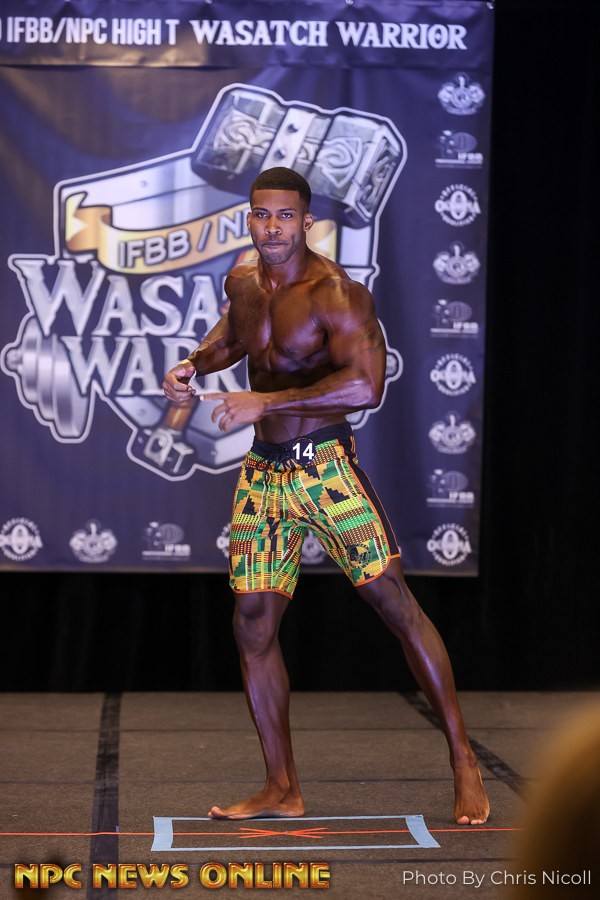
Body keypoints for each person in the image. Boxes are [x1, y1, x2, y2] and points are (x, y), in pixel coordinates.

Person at [162, 166, 490, 826]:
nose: (273, 227)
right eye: (262, 215)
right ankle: (281, 787)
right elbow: (235, 338)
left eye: (285, 216)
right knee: (252, 622)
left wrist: (266, 402)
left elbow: (366, 387)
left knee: (393, 603)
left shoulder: (337, 292)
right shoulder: (242, 281)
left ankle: (463, 758)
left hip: (325, 467)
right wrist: (193, 363)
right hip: (264, 471)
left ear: (306, 222)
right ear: (249, 219)